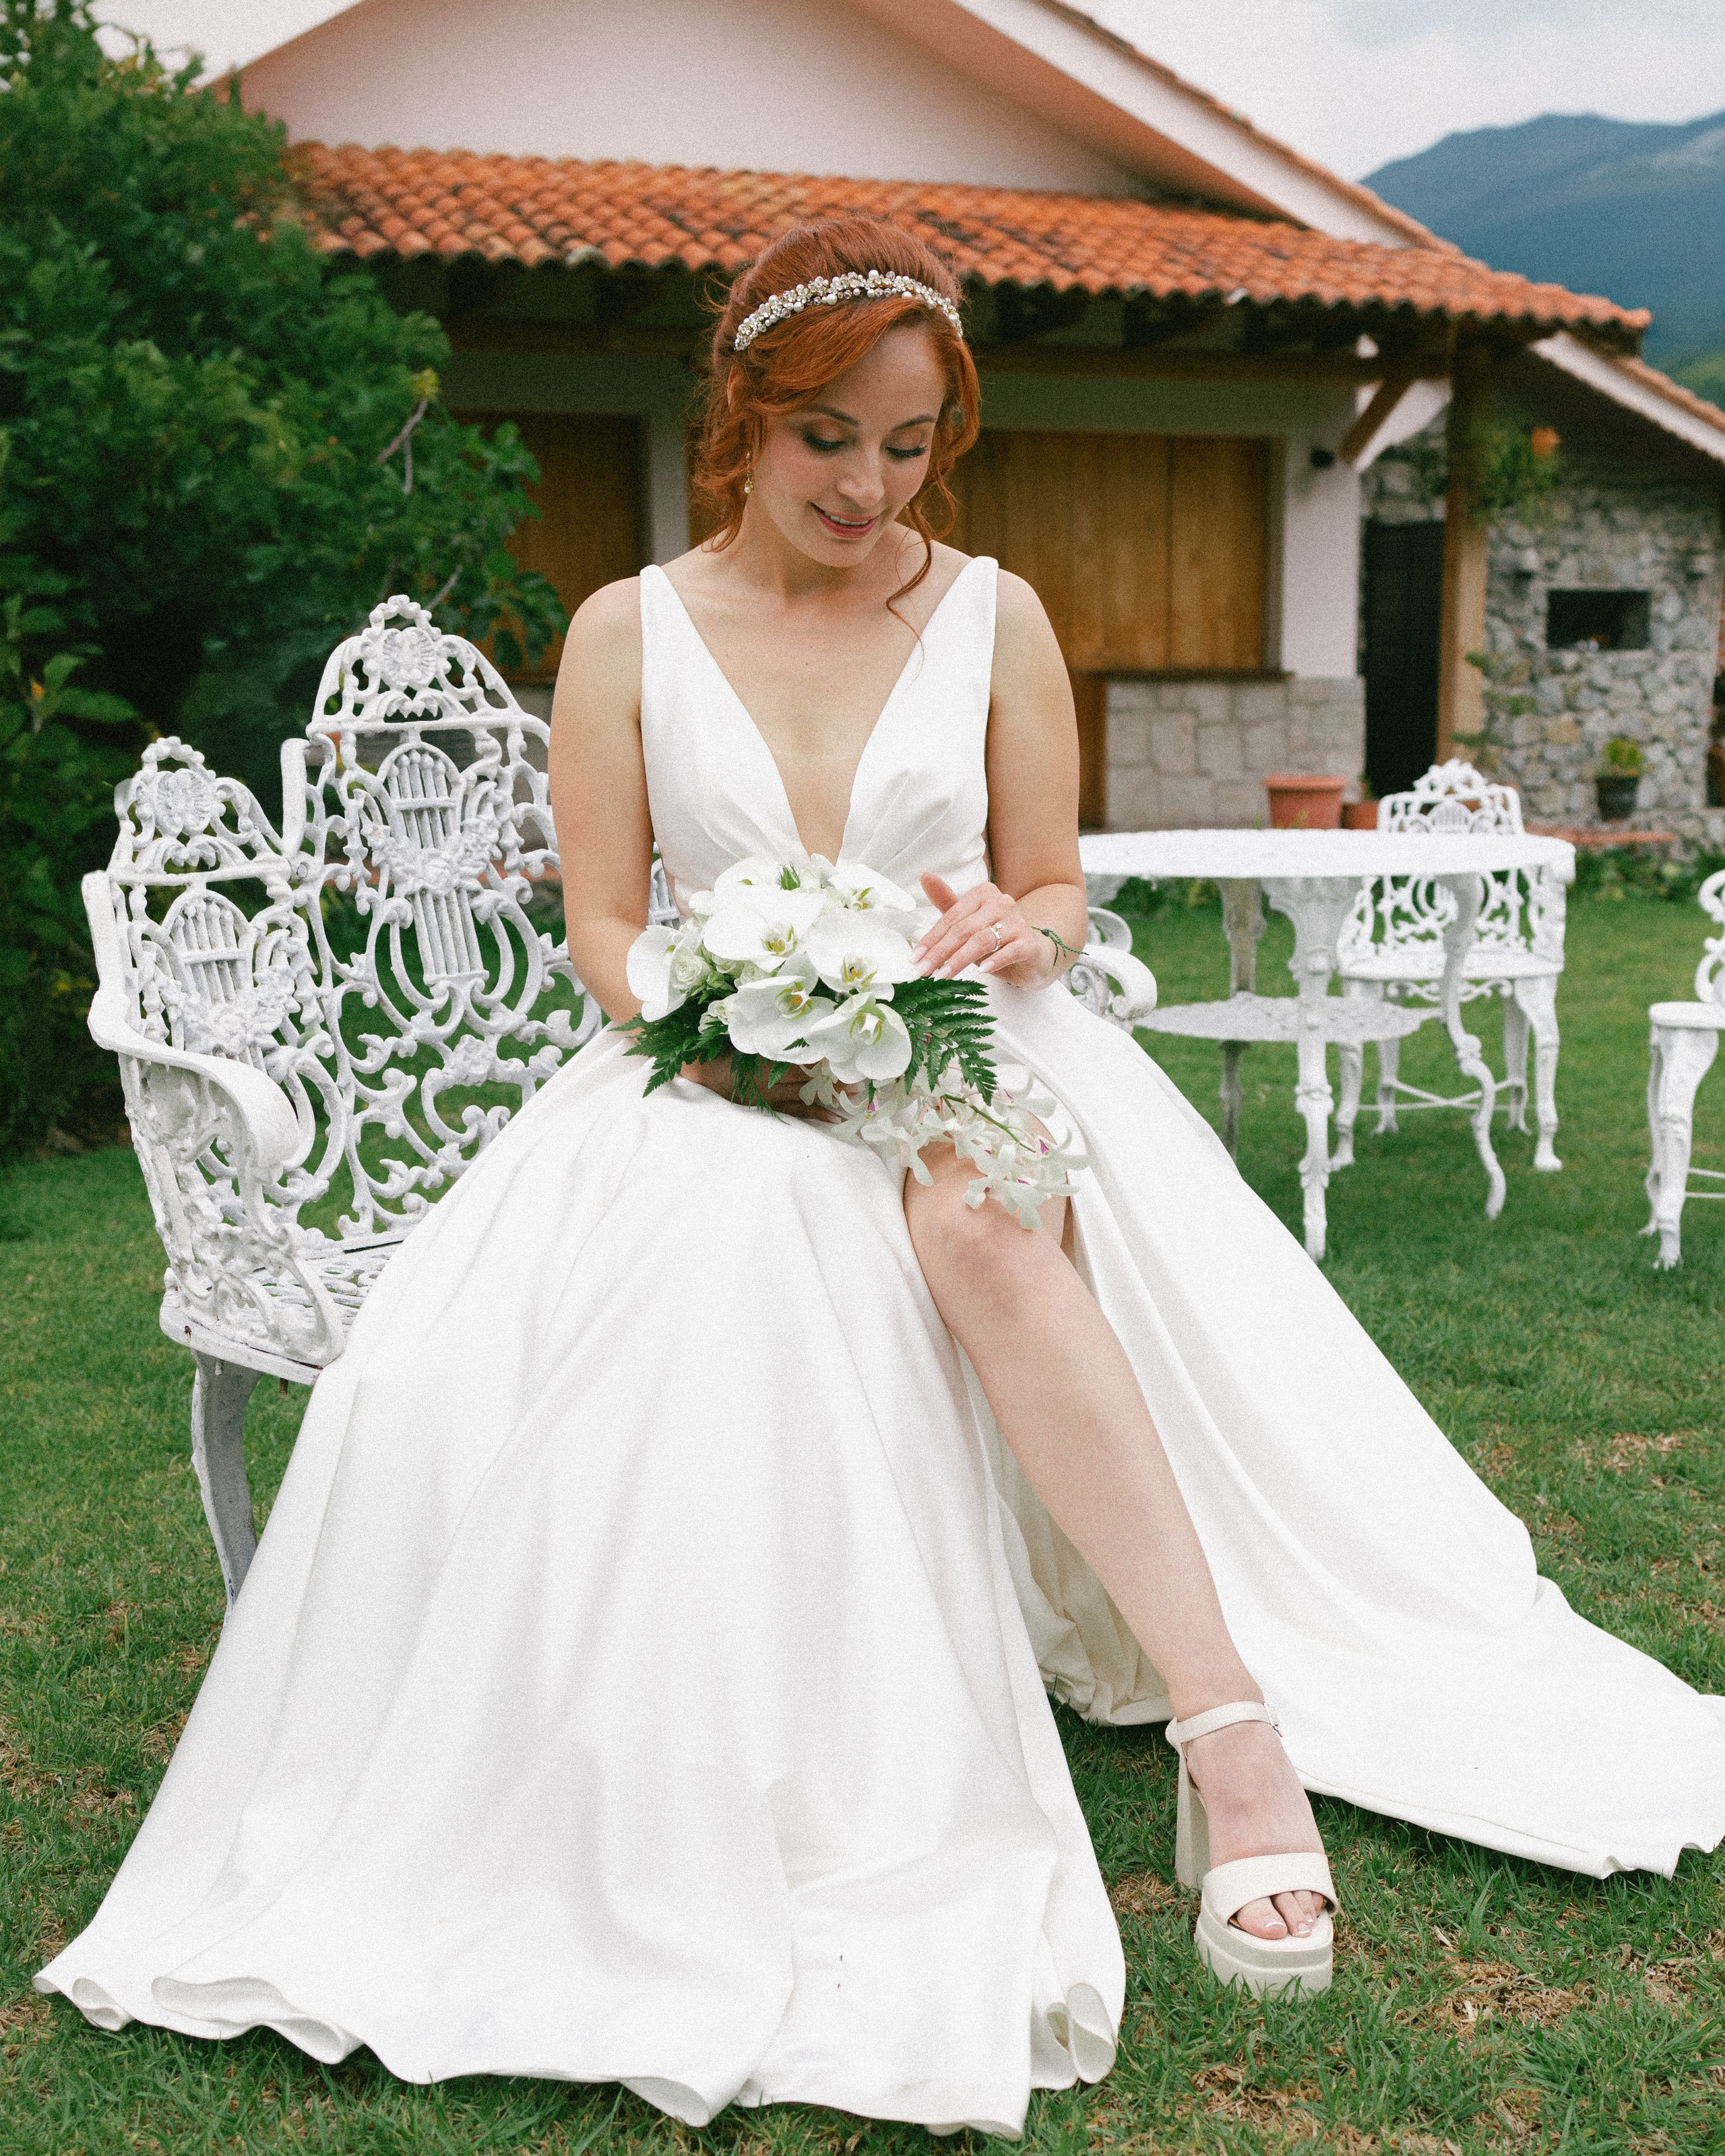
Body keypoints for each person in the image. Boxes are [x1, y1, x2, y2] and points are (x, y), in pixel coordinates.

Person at [37, 219, 1725, 2138]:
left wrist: (1021, 929)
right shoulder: (626, 631)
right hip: (711, 1059)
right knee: (726, 1242)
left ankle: (1231, 1733)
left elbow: (1056, 887)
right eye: (826, 438)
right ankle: (747, 1741)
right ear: (742, 418)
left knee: (987, 1224)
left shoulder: (998, 616)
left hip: (970, 1042)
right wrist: (722, 1022)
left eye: (910, 446)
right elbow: (605, 925)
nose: (868, 487)